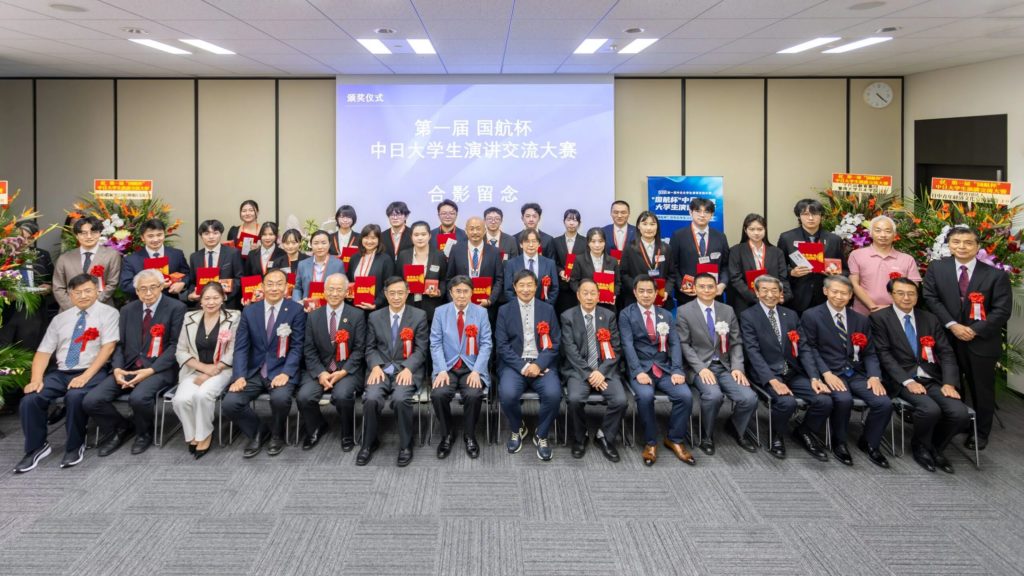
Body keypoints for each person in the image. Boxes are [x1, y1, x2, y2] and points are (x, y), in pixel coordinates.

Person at [13, 274, 118, 473]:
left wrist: (85, 376)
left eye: (88, 291)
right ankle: (36, 447)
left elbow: (108, 348)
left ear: (97, 291)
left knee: (75, 396)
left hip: (93, 370)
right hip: (61, 372)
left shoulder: (109, 313)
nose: (83, 296)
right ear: (70, 295)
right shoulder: (60, 319)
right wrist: (36, 379)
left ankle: (74, 445)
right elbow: (43, 352)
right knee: (30, 398)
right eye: (77, 292)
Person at [923, 226, 1012, 451]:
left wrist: (974, 330)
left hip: (981, 341)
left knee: (981, 389)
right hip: (947, 338)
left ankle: (980, 433)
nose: (962, 246)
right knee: (950, 382)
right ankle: (957, 422)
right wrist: (953, 325)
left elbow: (1002, 310)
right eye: (956, 242)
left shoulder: (996, 275)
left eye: (968, 242)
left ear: (977, 246)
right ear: (949, 245)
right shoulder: (937, 268)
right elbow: (931, 298)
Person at [84, 269, 187, 456]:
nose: (148, 293)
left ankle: (144, 434)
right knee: (92, 400)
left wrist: (151, 370)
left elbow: (176, 346)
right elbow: (120, 345)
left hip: (159, 369)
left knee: (138, 399)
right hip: (128, 367)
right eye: (143, 289)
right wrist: (117, 369)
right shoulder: (127, 310)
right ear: (137, 291)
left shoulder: (176, 308)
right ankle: (121, 427)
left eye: (153, 287)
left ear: (162, 287)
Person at [871, 277, 969, 473]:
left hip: (931, 378)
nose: (906, 298)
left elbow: (946, 353)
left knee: (959, 413)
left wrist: (949, 383)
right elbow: (884, 355)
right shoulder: (879, 318)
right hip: (901, 379)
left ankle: (935, 447)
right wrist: (907, 381)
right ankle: (920, 447)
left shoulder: (929, 319)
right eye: (900, 293)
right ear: (891, 295)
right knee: (930, 409)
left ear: (917, 296)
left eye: (911, 293)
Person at [800, 275, 891, 468]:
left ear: (851, 296)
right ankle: (839, 442)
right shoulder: (811, 315)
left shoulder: (860, 319)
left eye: (844, 293)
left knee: (883, 402)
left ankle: (870, 442)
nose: (839, 296)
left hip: (856, 373)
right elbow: (810, 349)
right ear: (826, 291)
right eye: (835, 291)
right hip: (830, 372)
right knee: (843, 400)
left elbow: (870, 352)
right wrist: (826, 374)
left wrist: (874, 376)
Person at [222, 268, 306, 458]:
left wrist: (287, 373)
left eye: (279, 284)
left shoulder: (296, 310)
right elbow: (241, 347)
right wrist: (239, 376)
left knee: (280, 399)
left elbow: (297, 346)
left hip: (281, 370)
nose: (274, 288)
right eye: (270, 284)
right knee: (230, 403)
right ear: (261, 286)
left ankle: (277, 434)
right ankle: (258, 431)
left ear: (287, 287)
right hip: (254, 371)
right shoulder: (250, 311)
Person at [677, 273, 758, 455]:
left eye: (710, 286)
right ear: (694, 289)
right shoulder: (684, 311)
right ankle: (706, 435)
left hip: (725, 366)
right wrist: (700, 369)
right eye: (702, 286)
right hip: (700, 367)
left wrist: (737, 367)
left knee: (749, 398)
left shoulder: (727, 310)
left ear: (717, 289)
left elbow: (736, 342)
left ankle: (735, 427)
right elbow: (684, 345)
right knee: (713, 396)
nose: (706, 290)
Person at [739, 275, 817, 459]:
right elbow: (753, 352)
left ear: (781, 293)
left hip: (793, 371)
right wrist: (772, 380)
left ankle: (804, 431)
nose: (770, 294)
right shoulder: (748, 316)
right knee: (786, 402)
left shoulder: (790, 315)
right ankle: (776, 436)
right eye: (764, 290)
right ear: (757, 293)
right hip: (767, 373)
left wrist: (815, 377)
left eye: (774, 290)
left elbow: (803, 348)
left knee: (824, 400)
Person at [619, 274, 693, 466]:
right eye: (641, 291)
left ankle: (674, 439)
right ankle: (651, 442)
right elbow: (627, 345)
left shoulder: (666, 315)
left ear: (656, 293)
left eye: (649, 291)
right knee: (645, 397)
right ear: (635, 293)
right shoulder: (626, 314)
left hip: (664, 368)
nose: (646, 295)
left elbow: (674, 344)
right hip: (640, 368)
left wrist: (677, 370)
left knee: (685, 396)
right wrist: (637, 371)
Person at [362, 277, 428, 467]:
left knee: (400, 398)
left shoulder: (419, 316)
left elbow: (421, 349)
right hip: (381, 369)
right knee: (371, 398)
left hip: (406, 369)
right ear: (385, 294)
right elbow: (370, 348)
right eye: (392, 293)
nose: (396, 297)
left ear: (407, 294)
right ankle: (369, 443)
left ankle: (406, 445)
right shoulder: (375, 317)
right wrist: (375, 366)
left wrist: (408, 368)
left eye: (400, 293)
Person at [496, 269, 561, 461]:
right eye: (521, 285)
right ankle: (517, 428)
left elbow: (555, 342)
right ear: (514, 287)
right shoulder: (504, 310)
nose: (526, 289)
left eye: (530, 285)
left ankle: (542, 434)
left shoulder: (547, 309)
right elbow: (502, 345)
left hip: (541, 364)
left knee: (553, 394)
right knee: (507, 394)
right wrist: (523, 367)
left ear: (536, 287)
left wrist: (539, 364)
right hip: (515, 365)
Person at [296, 273, 366, 452]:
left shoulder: (357, 315)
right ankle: (317, 426)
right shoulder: (313, 316)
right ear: (324, 291)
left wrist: (343, 372)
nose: (335, 293)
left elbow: (360, 349)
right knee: (304, 397)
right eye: (331, 289)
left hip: (347, 370)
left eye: (339, 289)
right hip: (320, 370)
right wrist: (321, 373)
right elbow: (309, 349)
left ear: (346, 292)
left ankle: (347, 433)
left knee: (342, 396)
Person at [172, 282, 241, 459]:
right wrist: (204, 369)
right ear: (200, 300)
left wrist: (213, 370)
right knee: (180, 400)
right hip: (195, 369)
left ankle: (204, 434)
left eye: (216, 298)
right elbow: (181, 351)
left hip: (222, 369)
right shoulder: (190, 317)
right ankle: (192, 433)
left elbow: (234, 350)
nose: (211, 302)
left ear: (223, 298)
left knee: (202, 396)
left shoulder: (234, 317)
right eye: (207, 298)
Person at [560, 278, 626, 462]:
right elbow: (570, 351)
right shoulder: (567, 316)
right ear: (578, 295)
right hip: (578, 371)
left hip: (605, 370)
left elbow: (616, 348)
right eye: (585, 293)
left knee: (621, 401)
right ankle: (580, 437)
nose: (589, 297)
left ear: (599, 296)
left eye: (593, 293)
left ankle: (604, 435)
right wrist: (589, 373)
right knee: (574, 399)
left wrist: (601, 372)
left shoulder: (608, 316)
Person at [429, 276, 492, 459]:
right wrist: (441, 370)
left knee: (473, 394)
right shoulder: (440, 312)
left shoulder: (481, 313)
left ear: (472, 293)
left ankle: (469, 435)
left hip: (471, 367)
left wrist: (477, 370)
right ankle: (447, 434)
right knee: (438, 394)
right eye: (458, 291)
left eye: (465, 291)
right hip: (447, 367)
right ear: (451, 293)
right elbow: (435, 343)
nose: (462, 295)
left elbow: (486, 344)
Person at [777, 198, 845, 314]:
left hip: (826, 296)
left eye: (815, 214)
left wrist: (835, 273)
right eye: (805, 214)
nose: (810, 218)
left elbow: (845, 270)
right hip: (797, 296)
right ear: (799, 216)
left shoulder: (834, 240)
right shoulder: (787, 238)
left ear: (821, 216)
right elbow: (779, 267)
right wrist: (791, 272)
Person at [848, 215, 921, 315]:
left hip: (896, 314)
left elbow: (912, 289)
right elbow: (854, 284)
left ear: (894, 234)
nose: (883, 235)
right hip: (863, 314)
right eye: (878, 230)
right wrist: (873, 307)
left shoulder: (907, 259)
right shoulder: (856, 255)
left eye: (888, 231)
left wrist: (891, 309)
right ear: (870, 233)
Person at [0, 221, 54, 351]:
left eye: (29, 238)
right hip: (7, 310)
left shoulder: (42, 255)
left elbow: (52, 280)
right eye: (21, 237)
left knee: (28, 349)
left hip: (32, 310)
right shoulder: (3, 254)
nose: (24, 241)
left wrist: (48, 288)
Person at [727, 213, 791, 316]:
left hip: (772, 301)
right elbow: (735, 279)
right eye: (752, 229)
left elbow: (782, 277)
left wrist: (785, 295)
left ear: (765, 229)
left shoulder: (776, 252)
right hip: (745, 302)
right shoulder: (736, 251)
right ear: (745, 230)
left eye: (760, 229)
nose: (756, 233)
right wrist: (758, 297)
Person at [52, 215, 121, 310]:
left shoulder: (112, 255)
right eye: (83, 233)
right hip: (70, 310)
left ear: (100, 233)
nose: (89, 236)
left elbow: (112, 283)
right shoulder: (64, 258)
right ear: (77, 235)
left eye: (94, 232)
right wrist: (72, 307)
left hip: (101, 308)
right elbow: (58, 287)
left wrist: (92, 305)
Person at [670, 198, 729, 305]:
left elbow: (726, 265)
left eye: (706, 212)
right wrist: (681, 285)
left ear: (712, 214)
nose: (702, 215)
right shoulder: (678, 236)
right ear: (690, 212)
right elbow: (673, 265)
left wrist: (723, 284)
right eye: (698, 211)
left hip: (713, 294)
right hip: (687, 295)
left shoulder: (720, 237)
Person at [446, 216, 504, 315]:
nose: (475, 232)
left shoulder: (494, 251)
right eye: (471, 229)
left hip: (486, 306)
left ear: (484, 231)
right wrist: (454, 300)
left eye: (478, 228)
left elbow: (499, 279)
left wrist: (490, 300)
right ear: (466, 231)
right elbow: (449, 278)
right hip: (460, 304)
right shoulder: (456, 249)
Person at [119, 218, 189, 299]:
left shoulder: (177, 254)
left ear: (164, 234)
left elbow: (187, 274)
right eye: (150, 236)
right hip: (142, 303)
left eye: (159, 235)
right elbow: (125, 285)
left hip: (171, 301)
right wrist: (152, 287)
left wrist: (183, 283)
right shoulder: (131, 260)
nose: (155, 239)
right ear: (142, 238)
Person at [620, 211, 674, 311]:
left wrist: (666, 290)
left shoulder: (666, 248)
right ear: (638, 226)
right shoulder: (629, 248)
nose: (649, 228)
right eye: (644, 224)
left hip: (661, 299)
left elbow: (671, 274)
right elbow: (623, 274)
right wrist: (637, 290)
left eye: (652, 224)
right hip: (635, 300)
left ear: (657, 227)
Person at [185, 219, 244, 308]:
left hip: (227, 303)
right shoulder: (194, 257)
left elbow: (239, 278)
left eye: (215, 233)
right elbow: (193, 282)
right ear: (201, 236)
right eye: (206, 234)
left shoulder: (233, 253)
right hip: (203, 304)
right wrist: (192, 294)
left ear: (221, 234)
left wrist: (225, 296)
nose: (211, 237)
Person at [397, 221, 447, 326]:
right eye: (416, 235)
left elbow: (444, 280)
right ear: (411, 237)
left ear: (429, 236)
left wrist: (439, 292)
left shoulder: (439, 255)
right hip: (408, 304)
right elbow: (398, 279)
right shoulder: (403, 255)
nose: (420, 238)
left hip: (431, 306)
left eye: (423, 234)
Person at [503, 229, 558, 307]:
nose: (531, 245)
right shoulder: (511, 264)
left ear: (539, 244)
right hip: (518, 307)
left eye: (534, 241)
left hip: (543, 307)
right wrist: (521, 306)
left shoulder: (550, 263)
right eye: (527, 241)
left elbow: (554, 289)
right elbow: (508, 290)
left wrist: (545, 307)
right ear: (521, 244)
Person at [569, 227, 620, 312]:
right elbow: (573, 281)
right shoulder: (579, 260)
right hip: (586, 304)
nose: (597, 245)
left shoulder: (613, 261)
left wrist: (614, 295)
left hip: (607, 306)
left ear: (605, 242)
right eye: (593, 241)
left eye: (600, 241)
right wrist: (583, 294)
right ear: (588, 243)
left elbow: (617, 283)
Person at [347, 224, 395, 312]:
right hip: (355, 307)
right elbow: (349, 280)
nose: (369, 241)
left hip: (376, 308)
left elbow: (388, 285)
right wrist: (349, 296)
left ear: (379, 240)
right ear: (361, 239)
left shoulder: (385, 259)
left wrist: (376, 303)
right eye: (366, 237)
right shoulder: (354, 257)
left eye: (373, 238)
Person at [292, 230, 345, 305]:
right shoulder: (302, 264)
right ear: (310, 244)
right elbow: (297, 288)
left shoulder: (338, 264)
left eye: (323, 243)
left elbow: (342, 287)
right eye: (316, 243)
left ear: (329, 244)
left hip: (329, 306)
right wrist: (297, 303)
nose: (320, 247)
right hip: (307, 307)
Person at [550, 208, 588, 314]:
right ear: (564, 222)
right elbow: (553, 262)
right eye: (568, 220)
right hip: (562, 287)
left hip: (579, 286)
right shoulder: (555, 241)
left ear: (579, 223)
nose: (571, 223)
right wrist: (560, 271)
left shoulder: (585, 242)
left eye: (575, 220)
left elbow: (587, 262)